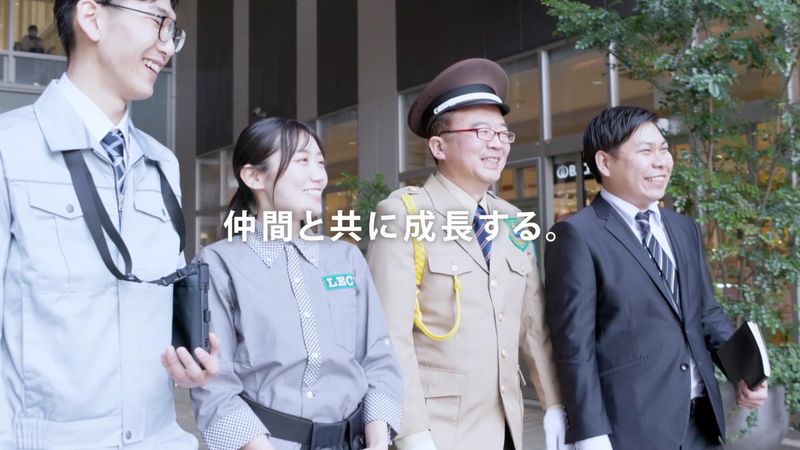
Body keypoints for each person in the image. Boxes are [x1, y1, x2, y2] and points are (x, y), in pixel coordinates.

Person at [0, 0, 219, 447]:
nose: (167, 46)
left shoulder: (162, 164)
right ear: (91, 17)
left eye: (173, 31)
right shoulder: (9, 148)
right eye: (158, 21)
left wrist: (190, 364)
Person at [367, 58, 567, 450]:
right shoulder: (403, 214)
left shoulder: (512, 220)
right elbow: (389, 337)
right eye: (481, 131)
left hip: (507, 428)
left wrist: (554, 403)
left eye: (503, 133)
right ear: (438, 146)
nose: (497, 143)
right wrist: (412, 433)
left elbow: (533, 325)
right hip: (439, 431)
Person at [544, 106, 769, 450]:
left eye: (664, 149)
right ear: (605, 163)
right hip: (631, 429)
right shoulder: (576, 235)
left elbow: (705, 314)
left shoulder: (683, 227)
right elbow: (574, 345)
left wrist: (743, 372)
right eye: (646, 151)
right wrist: (590, 435)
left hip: (701, 425)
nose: (662, 162)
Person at [190, 117, 403, 450]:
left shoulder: (346, 258)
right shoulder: (218, 263)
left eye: (320, 163)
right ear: (254, 176)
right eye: (302, 161)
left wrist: (378, 442)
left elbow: (378, 358)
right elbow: (214, 384)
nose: (319, 176)